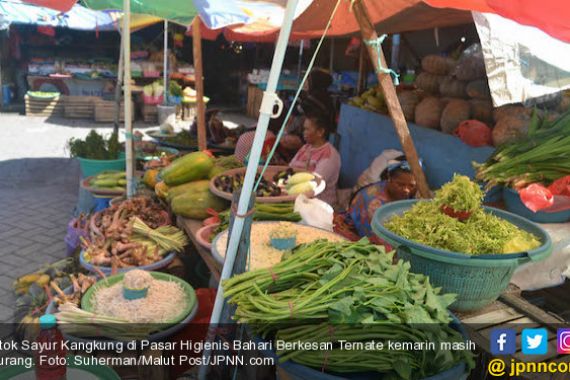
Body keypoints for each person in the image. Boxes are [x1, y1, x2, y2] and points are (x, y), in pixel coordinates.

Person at [334, 156, 419, 241]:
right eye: (400, 185)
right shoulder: (373, 203)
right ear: (389, 178)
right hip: (359, 237)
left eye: (411, 185)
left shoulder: (407, 193)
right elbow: (376, 240)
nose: (406, 190)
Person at [289, 114, 341, 206]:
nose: (303, 132)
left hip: (318, 205)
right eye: (304, 129)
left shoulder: (329, 155)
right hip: (299, 198)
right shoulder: (306, 148)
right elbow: (290, 168)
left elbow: (315, 183)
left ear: (320, 132)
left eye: (307, 129)